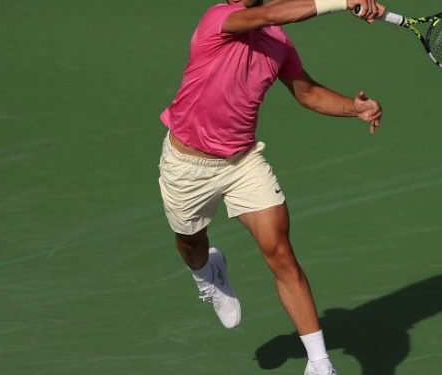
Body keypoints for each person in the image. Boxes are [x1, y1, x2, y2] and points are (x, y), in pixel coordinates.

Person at [157, 1, 385, 374]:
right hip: (187, 165)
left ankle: (319, 363)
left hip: (243, 162)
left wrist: (353, 109)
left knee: (281, 253)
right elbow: (269, 15)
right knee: (190, 243)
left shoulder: (278, 43)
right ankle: (207, 273)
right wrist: (342, 1)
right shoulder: (219, 19)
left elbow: (307, 92)